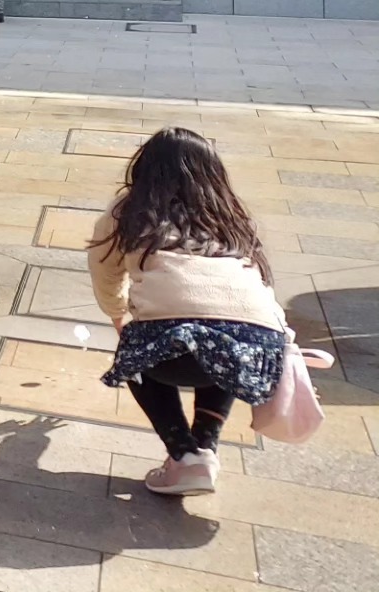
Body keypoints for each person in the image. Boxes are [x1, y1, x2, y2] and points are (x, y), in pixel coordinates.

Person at [88, 127, 289, 496]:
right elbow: (257, 287)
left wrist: (120, 319)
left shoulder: (128, 211)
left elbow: (106, 272)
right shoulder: (232, 214)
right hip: (257, 351)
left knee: (138, 356)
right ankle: (205, 448)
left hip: (178, 354)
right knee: (223, 341)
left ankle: (183, 452)